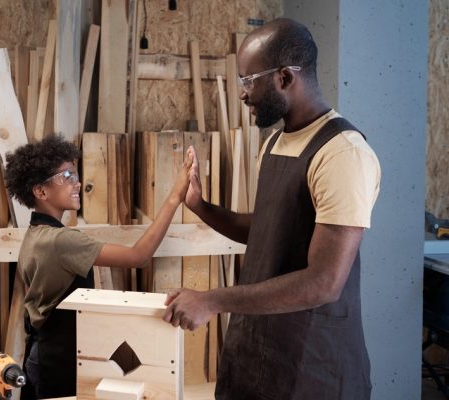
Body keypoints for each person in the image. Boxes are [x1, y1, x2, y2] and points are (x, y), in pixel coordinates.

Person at [162, 18, 381, 399]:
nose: (243, 94)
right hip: (257, 351)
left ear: (283, 78)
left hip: (312, 365)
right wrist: (201, 207)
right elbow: (268, 231)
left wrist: (212, 299)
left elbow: (324, 282)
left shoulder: (342, 153)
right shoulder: (276, 142)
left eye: (249, 81)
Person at [4, 134, 194, 399]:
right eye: (67, 176)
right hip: (59, 362)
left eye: (75, 174)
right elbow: (138, 256)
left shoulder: (35, 235)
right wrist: (175, 196)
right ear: (41, 191)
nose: (77, 183)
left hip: (42, 357)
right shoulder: (61, 241)